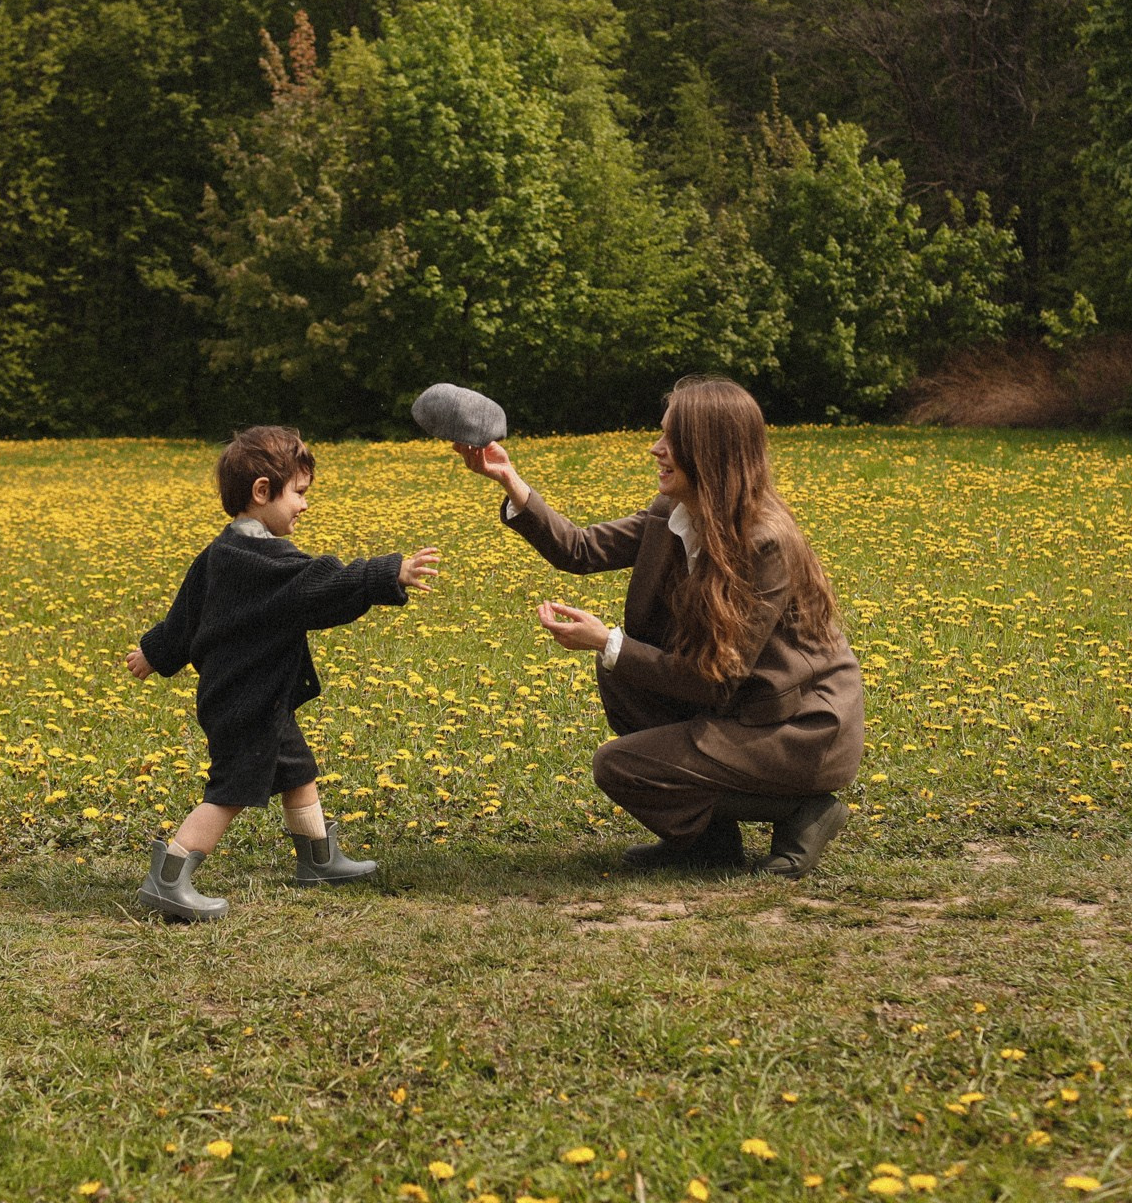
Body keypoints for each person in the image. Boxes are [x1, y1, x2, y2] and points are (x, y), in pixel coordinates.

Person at [458, 376, 863, 876]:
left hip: (793, 729)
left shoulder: (764, 543)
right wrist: (509, 479)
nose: (656, 449)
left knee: (621, 763)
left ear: (710, 450)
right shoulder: (673, 513)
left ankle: (802, 810)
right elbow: (581, 549)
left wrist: (607, 641)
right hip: (738, 708)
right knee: (620, 672)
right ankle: (708, 844)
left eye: (672, 439)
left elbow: (717, 680)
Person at [127, 425, 441, 921]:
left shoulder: (219, 553)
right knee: (230, 791)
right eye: (298, 493)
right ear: (261, 492)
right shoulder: (267, 562)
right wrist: (386, 573)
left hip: (253, 697)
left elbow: (184, 619)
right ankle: (169, 877)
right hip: (245, 702)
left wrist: (154, 653)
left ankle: (318, 859)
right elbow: (322, 588)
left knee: (296, 770)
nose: (304, 505)